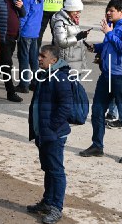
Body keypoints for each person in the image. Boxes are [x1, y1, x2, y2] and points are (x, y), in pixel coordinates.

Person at [80, 0, 122, 164]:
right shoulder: (112, 26)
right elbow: (109, 45)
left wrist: (109, 33)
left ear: (121, 11)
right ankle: (97, 146)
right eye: (107, 10)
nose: (108, 13)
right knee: (98, 111)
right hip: (106, 75)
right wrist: (95, 47)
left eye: (111, 10)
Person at [26, 43, 73, 224]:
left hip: (53, 134)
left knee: (56, 171)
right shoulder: (45, 75)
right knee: (48, 169)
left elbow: (66, 107)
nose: (39, 58)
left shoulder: (60, 77)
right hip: (43, 133)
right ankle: (47, 202)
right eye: (39, 55)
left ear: (54, 60)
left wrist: (51, 128)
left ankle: (56, 208)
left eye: (43, 56)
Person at [16, 0, 43, 93]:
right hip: (35, 31)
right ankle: (35, 82)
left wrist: (19, 29)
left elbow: (24, 15)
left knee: (24, 58)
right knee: (34, 58)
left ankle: (24, 84)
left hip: (26, 31)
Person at [50, 0, 89, 72]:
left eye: (79, 11)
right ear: (70, 9)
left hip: (76, 61)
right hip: (67, 62)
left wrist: (83, 36)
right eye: (76, 11)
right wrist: (78, 37)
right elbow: (62, 42)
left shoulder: (72, 20)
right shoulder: (60, 22)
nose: (78, 14)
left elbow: (75, 35)